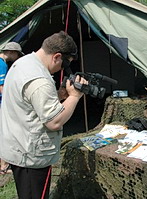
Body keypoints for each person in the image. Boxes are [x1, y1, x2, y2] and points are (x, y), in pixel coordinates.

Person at [0, 31, 87, 199]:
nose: (63, 69)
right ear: (57, 57)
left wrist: (59, 95)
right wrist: (75, 96)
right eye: (64, 64)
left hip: (18, 146)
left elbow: (28, 101)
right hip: (31, 157)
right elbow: (54, 122)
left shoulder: (23, 63)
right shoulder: (40, 80)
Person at [0, 42, 24, 175]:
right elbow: (2, 87)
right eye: (17, 54)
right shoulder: (2, 64)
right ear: (10, 52)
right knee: (4, 133)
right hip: (1, 104)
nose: (17, 57)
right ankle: (4, 166)